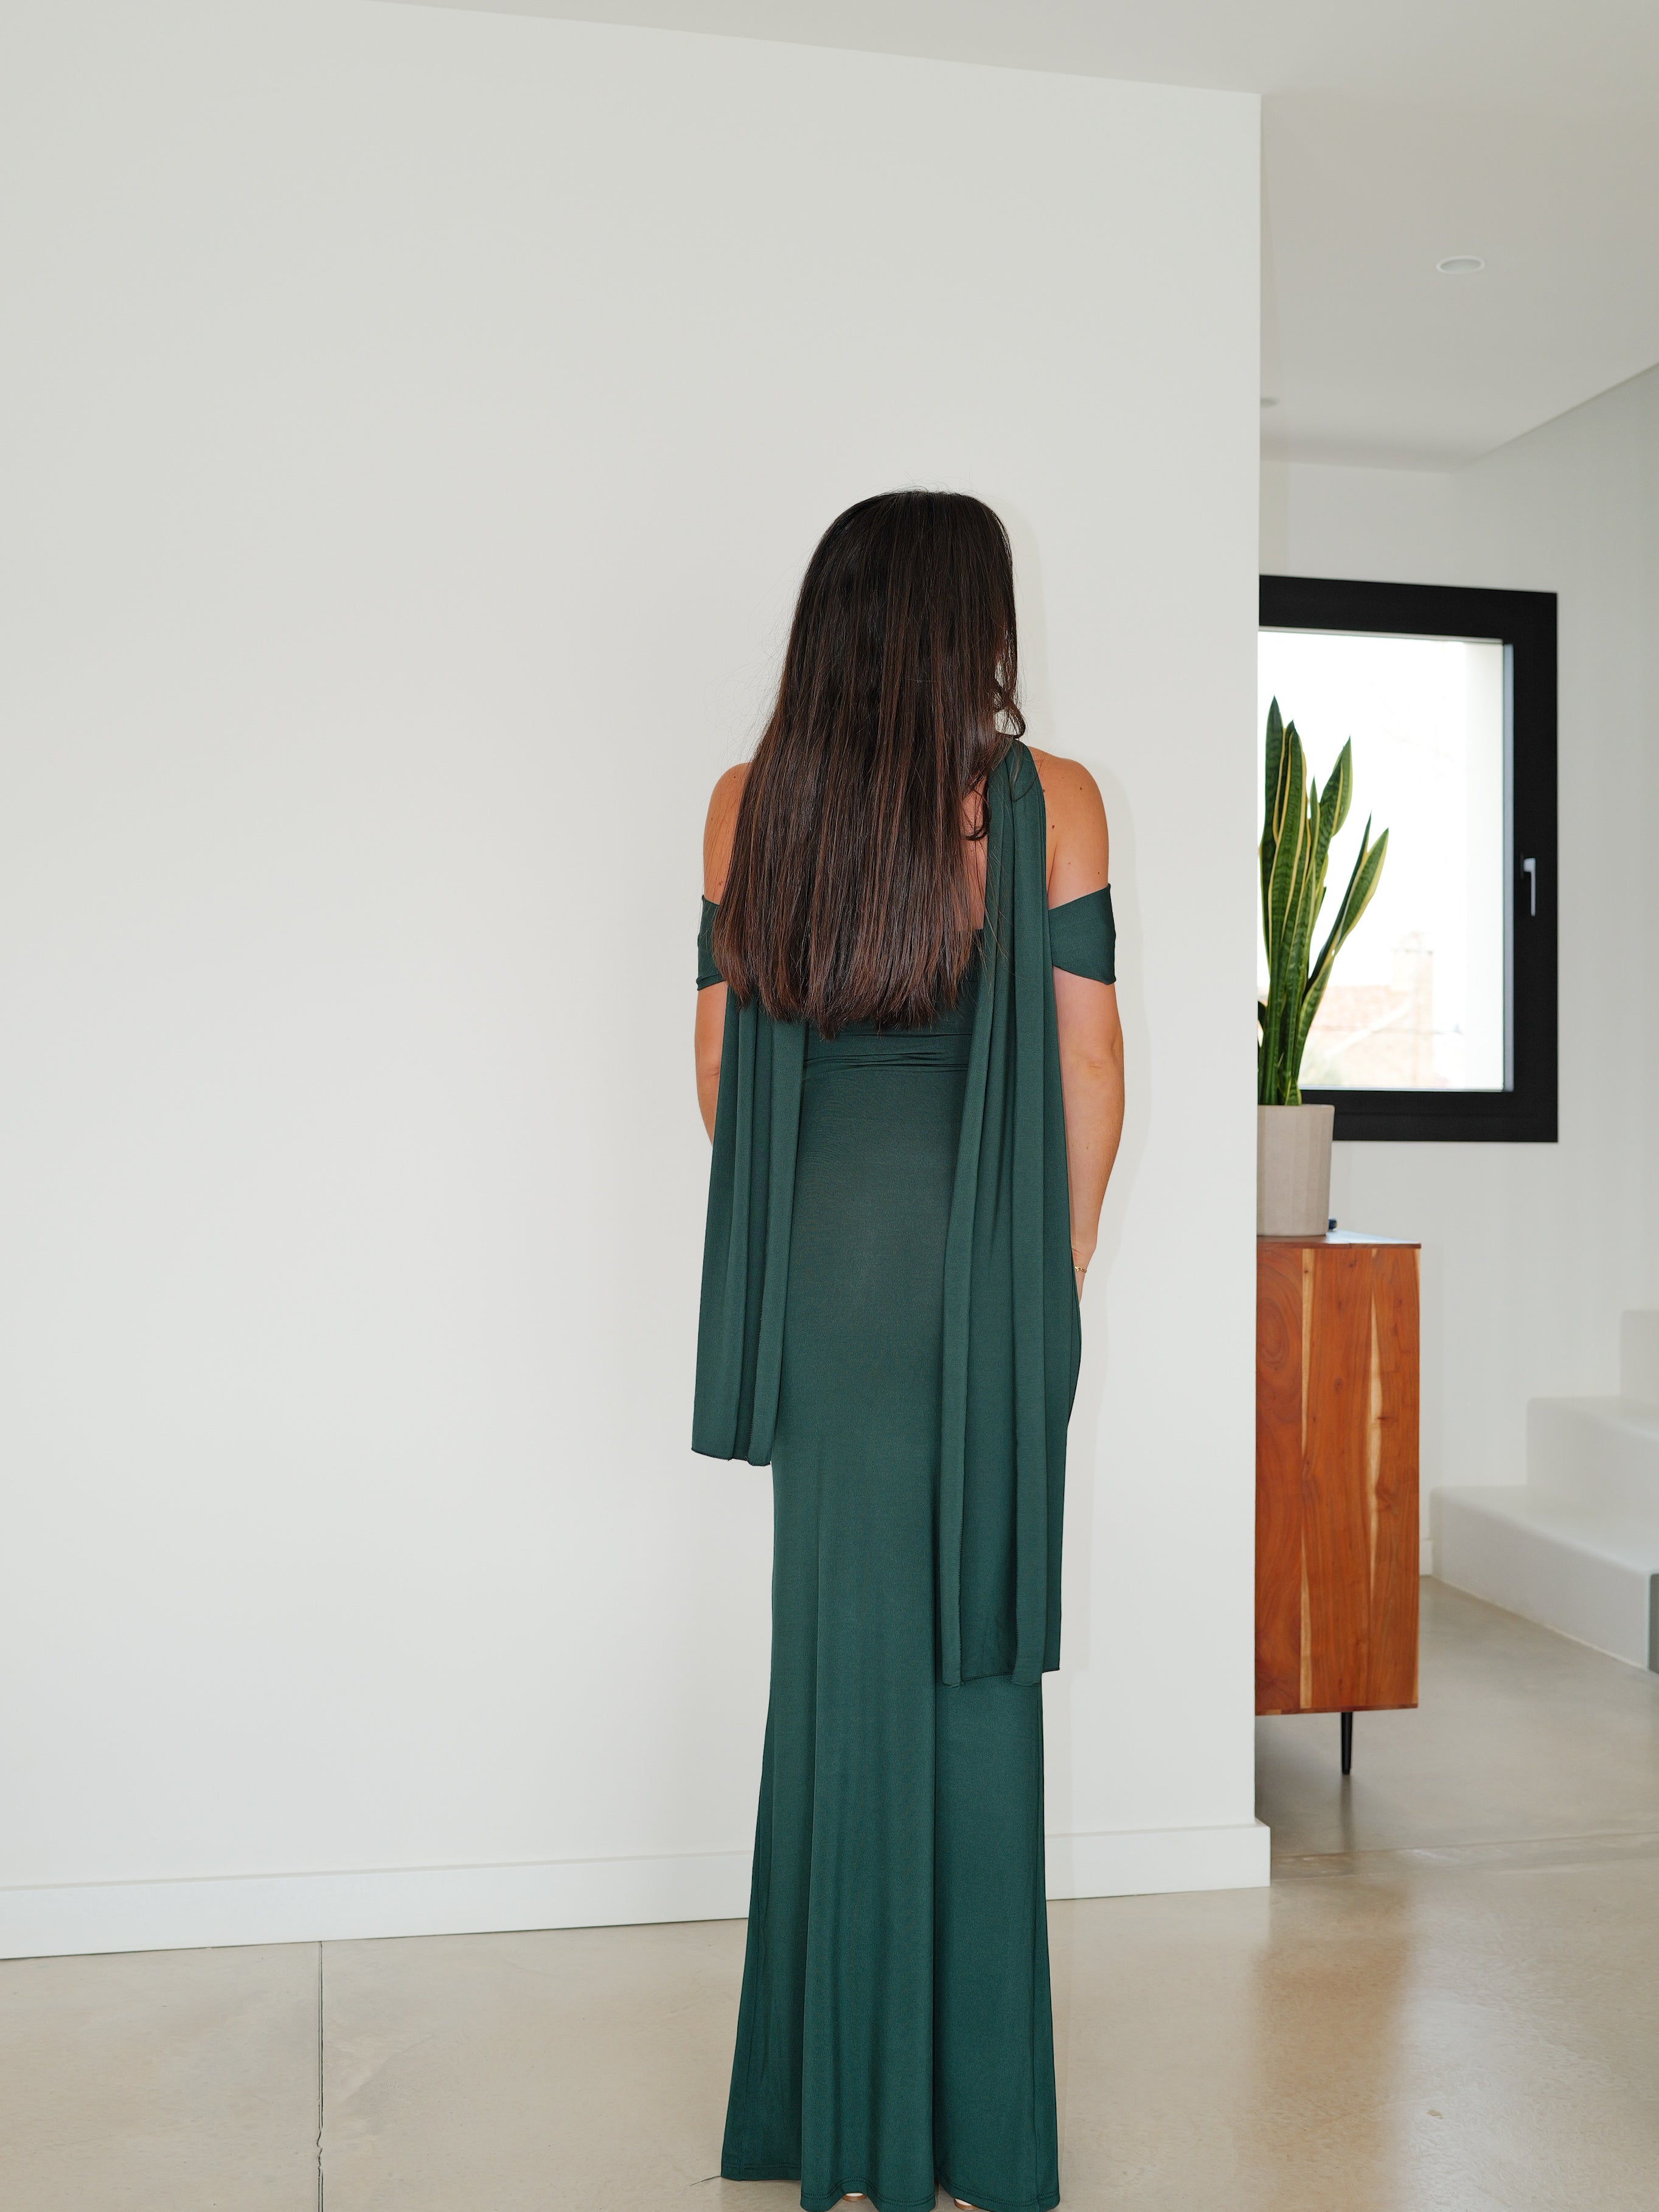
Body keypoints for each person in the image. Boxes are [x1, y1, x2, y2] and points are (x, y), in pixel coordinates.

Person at [692, 490, 1124, 2212]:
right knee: (974, 1656)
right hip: (978, 1273)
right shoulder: (1048, 802)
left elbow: (721, 1076)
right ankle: (971, 2132)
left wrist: (816, 1248)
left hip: (828, 1276)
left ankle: (831, 2113)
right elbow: (1089, 1070)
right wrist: (1046, 1275)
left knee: (836, 1666)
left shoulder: (752, 805)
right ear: (972, 622)